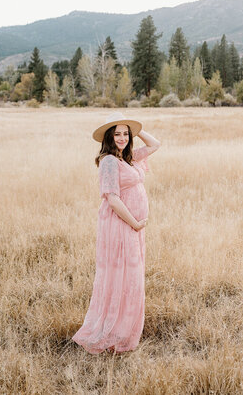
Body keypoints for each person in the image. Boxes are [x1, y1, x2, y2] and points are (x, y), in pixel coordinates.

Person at [72, 111, 160, 354]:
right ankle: (113, 331)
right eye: (117, 134)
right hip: (121, 225)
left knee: (131, 276)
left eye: (125, 134)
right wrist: (135, 222)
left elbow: (155, 144)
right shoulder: (109, 161)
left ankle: (125, 328)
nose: (122, 138)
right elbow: (112, 199)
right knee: (121, 276)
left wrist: (136, 127)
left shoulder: (128, 158)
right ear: (109, 137)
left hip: (132, 227)